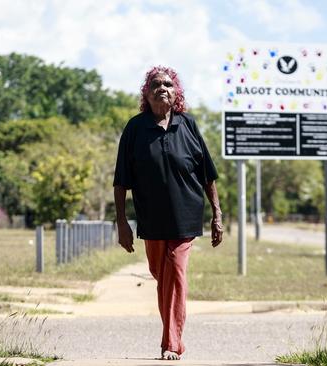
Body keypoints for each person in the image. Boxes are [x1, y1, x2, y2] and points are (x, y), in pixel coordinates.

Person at [113, 66, 223, 360]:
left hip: (186, 217)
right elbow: (121, 180)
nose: (162, 88)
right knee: (162, 278)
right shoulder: (135, 129)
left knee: (175, 272)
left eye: (168, 84)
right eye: (155, 85)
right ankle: (173, 335)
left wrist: (217, 214)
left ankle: (171, 343)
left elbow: (207, 175)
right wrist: (122, 222)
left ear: (177, 94)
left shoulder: (188, 125)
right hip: (152, 219)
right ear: (146, 94)